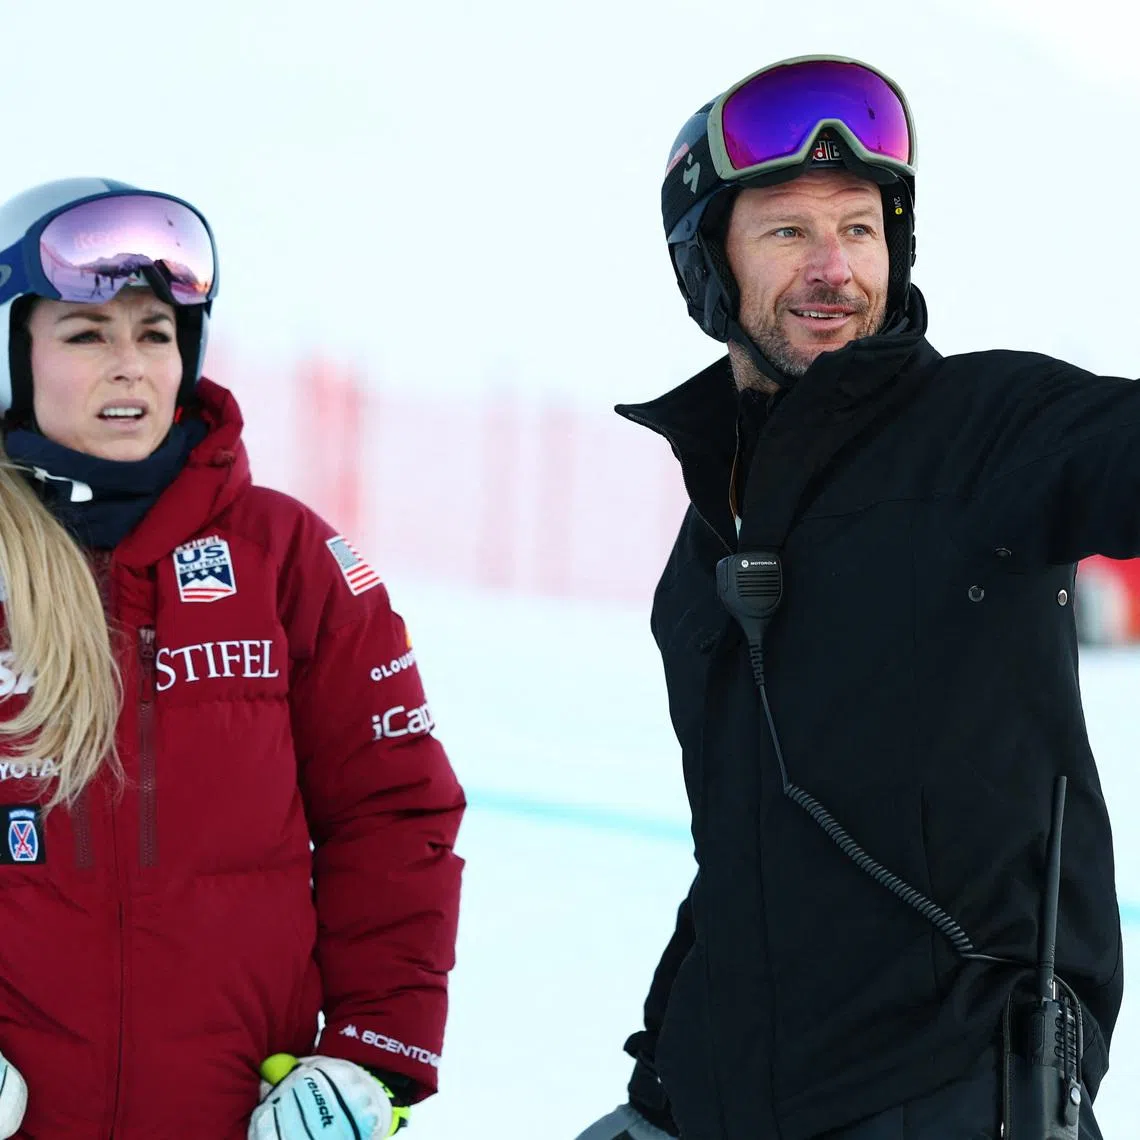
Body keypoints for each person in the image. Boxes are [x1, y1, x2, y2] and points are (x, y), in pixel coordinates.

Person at [574, 55, 1123, 1140]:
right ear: (707, 266)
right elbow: (745, 859)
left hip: (958, 1096)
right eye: (787, 232)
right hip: (726, 1100)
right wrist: (667, 1086)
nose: (834, 268)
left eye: (860, 229)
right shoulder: (706, 547)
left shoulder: (991, 432)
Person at [0, 177, 464, 1139]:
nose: (129, 365)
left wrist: (373, 1056)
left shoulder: (288, 560)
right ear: (12, 354)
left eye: (156, 334)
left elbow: (393, 814)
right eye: (86, 335)